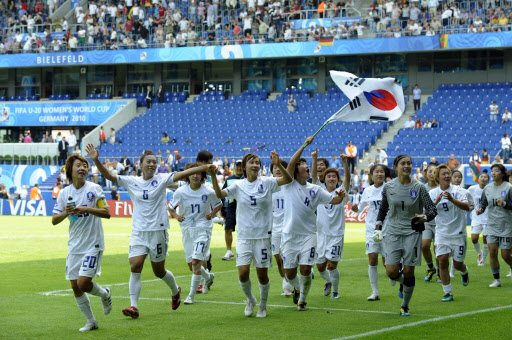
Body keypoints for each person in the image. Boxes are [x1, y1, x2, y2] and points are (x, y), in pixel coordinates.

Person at [86, 144, 212, 318]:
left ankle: (175, 291)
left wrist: (205, 167)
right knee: (135, 265)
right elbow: (109, 175)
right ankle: (133, 306)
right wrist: (95, 159)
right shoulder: (132, 181)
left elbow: (183, 174)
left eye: (154, 162)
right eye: (149, 162)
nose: (152, 165)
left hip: (158, 231)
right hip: (139, 232)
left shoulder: (162, 178)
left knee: (158, 271)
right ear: (140, 164)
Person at [209, 150, 293, 318]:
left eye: (257, 162)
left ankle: (263, 304)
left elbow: (288, 179)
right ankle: (250, 299)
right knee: (242, 273)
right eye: (251, 162)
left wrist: (277, 165)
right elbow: (219, 194)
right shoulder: (238, 185)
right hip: (244, 237)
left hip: (262, 237)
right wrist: (212, 175)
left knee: (262, 275)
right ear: (244, 167)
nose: (255, 165)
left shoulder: (268, 182)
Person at [281, 136, 346, 311]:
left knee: (305, 269)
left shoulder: (316, 189)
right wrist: (304, 145)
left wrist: (340, 197)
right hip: (289, 235)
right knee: (290, 273)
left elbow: (334, 201)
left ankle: (302, 299)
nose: (307, 166)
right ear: (296, 171)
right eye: (303, 165)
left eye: (307, 165)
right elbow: (291, 164)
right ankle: (296, 288)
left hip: (309, 235)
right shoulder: (289, 185)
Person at [51, 154, 112, 332]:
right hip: (75, 245)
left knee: (83, 283)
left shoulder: (94, 189)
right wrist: (66, 213)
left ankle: (104, 294)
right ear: (70, 170)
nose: (83, 168)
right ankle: (91, 321)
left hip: (93, 243)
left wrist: (86, 209)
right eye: (79, 165)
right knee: (74, 285)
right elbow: (54, 219)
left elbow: (107, 212)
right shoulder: (64, 193)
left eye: (85, 165)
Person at [374, 154, 437, 316]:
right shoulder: (388, 187)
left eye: (409, 163)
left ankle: (405, 305)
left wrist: (423, 217)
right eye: (403, 163)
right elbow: (383, 209)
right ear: (396, 167)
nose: (407, 166)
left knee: (409, 271)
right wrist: (378, 227)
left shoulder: (419, 187)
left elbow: (432, 210)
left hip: (413, 232)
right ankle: (404, 283)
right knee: (391, 272)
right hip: (393, 232)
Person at [168, 162, 223, 304]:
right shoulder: (180, 191)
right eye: (192, 173)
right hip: (187, 229)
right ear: (187, 176)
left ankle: (190, 296)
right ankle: (208, 277)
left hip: (203, 229)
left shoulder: (209, 191)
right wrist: (176, 216)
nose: (195, 176)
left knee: (195, 261)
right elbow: (170, 207)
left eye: (198, 173)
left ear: (202, 175)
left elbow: (219, 204)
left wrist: (212, 214)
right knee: (190, 264)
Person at [312, 148, 350, 300]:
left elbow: (347, 178)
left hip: (336, 234)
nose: (331, 179)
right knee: (320, 267)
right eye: (329, 176)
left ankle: (336, 291)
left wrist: (344, 162)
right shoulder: (319, 191)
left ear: (337, 180)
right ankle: (328, 282)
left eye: (334, 177)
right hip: (320, 234)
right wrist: (314, 159)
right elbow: (314, 176)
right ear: (325, 179)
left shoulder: (341, 191)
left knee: (332, 266)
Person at [429, 164, 470, 301]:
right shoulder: (433, 193)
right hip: (441, 233)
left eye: (448, 173)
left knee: (458, 264)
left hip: (458, 233)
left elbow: (467, 207)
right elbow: (427, 212)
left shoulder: (458, 190)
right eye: (443, 174)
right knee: (442, 262)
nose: (447, 176)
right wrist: (436, 201)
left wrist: (452, 199)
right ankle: (447, 292)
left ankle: (464, 271)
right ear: (437, 178)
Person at [352, 164, 388, 301]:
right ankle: (375, 292)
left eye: (382, 172)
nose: (380, 174)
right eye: (377, 172)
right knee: (373, 259)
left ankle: (394, 275)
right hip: (371, 229)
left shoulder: (389, 188)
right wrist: (355, 209)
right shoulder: (367, 190)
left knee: (387, 263)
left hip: (387, 228)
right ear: (371, 175)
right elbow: (360, 210)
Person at [476, 164, 512, 288]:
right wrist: (480, 209)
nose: (493, 173)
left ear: (502, 174)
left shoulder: (509, 187)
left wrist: (505, 204)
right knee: (492, 252)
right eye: (492, 171)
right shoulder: (487, 188)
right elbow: (483, 202)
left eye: (496, 171)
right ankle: (497, 280)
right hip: (491, 225)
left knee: (505, 255)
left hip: (506, 225)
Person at [269, 158, 295, 296]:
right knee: (278, 259)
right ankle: (287, 282)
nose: (278, 169)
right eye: (274, 167)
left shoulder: (291, 184)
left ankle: (288, 287)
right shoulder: (268, 186)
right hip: (274, 227)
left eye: (281, 167)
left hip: (289, 226)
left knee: (286, 257)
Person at [220, 160, 243, 261]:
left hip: (243, 208)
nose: (239, 168)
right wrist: (222, 210)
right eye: (237, 166)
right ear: (234, 168)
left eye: (241, 166)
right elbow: (222, 195)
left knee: (243, 230)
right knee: (228, 228)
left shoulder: (247, 179)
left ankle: (243, 250)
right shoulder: (229, 179)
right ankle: (229, 251)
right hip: (231, 207)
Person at [422, 164, 441, 283]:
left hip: (440, 223)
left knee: (437, 249)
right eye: (429, 171)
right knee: (424, 246)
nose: (431, 173)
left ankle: (440, 271)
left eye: (434, 171)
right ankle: (431, 268)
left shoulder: (442, 188)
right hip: (427, 222)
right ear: (426, 173)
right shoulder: (422, 188)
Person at [468, 171, 490, 266]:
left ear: (488, 180)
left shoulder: (490, 189)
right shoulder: (472, 189)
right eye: (481, 176)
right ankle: (480, 253)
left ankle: (483, 259)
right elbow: (467, 198)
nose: (483, 178)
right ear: (478, 178)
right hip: (476, 217)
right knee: (474, 239)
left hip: (488, 218)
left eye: (485, 177)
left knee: (486, 240)